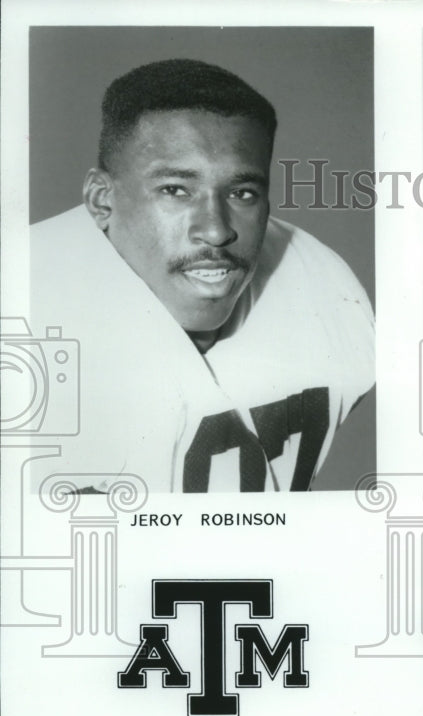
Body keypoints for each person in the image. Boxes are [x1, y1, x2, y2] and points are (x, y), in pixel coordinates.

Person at [30, 59, 374, 492]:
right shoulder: (25, 309)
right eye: (176, 190)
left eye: (242, 192)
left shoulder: (319, 279)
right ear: (101, 201)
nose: (216, 229)